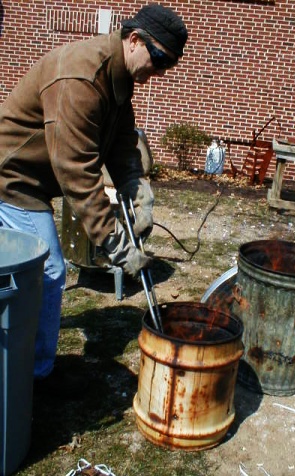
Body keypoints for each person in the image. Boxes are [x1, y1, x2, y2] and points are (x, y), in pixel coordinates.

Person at [0, 3, 188, 392]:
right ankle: (34, 376)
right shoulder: (82, 78)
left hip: (34, 180)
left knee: (27, 273)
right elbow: (78, 174)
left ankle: (25, 354)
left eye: (168, 66)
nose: (159, 73)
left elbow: (121, 147)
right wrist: (117, 245)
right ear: (134, 40)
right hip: (12, 178)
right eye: (158, 59)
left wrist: (140, 194)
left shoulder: (118, 80)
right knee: (49, 273)